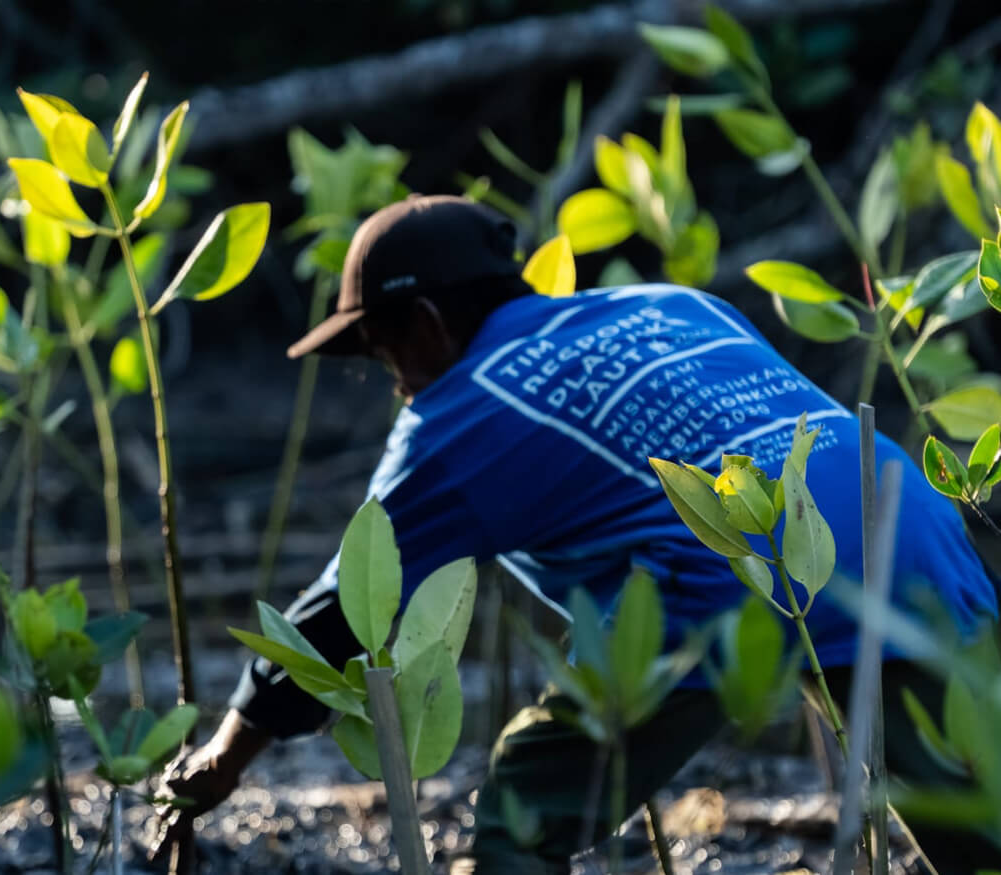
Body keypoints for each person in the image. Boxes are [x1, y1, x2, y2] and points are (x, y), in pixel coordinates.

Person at [151, 195, 1000, 873]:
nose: (396, 386)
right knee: (977, 819)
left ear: (425, 327)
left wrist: (227, 754)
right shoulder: (665, 302)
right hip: (906, 524)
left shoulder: (465, 408)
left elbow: (344, 604)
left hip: (724, 576)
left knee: (524, 811)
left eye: (382, 353)